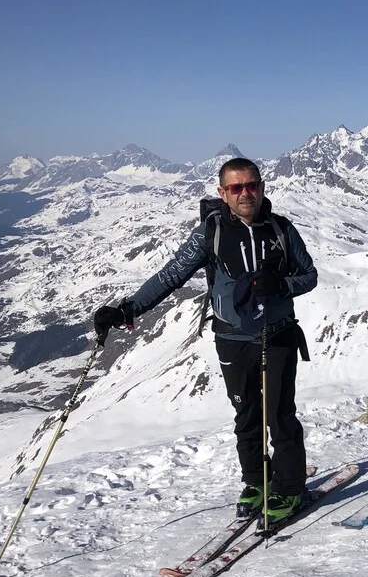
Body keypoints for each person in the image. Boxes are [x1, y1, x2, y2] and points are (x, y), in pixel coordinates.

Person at [93, 158, 318, 523]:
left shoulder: (281, 229)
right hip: (231, 339)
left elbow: (309, 276)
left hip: (277, 336)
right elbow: (172, 274)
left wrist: (283, 285)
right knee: (246, 414)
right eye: (236, 188)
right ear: (222, 193)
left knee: (279, 415)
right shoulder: (210, 233)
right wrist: (128, 309)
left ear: (262, 187)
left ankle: (291, 489)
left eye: (252, 185)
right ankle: (257, 483)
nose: (246, 193)